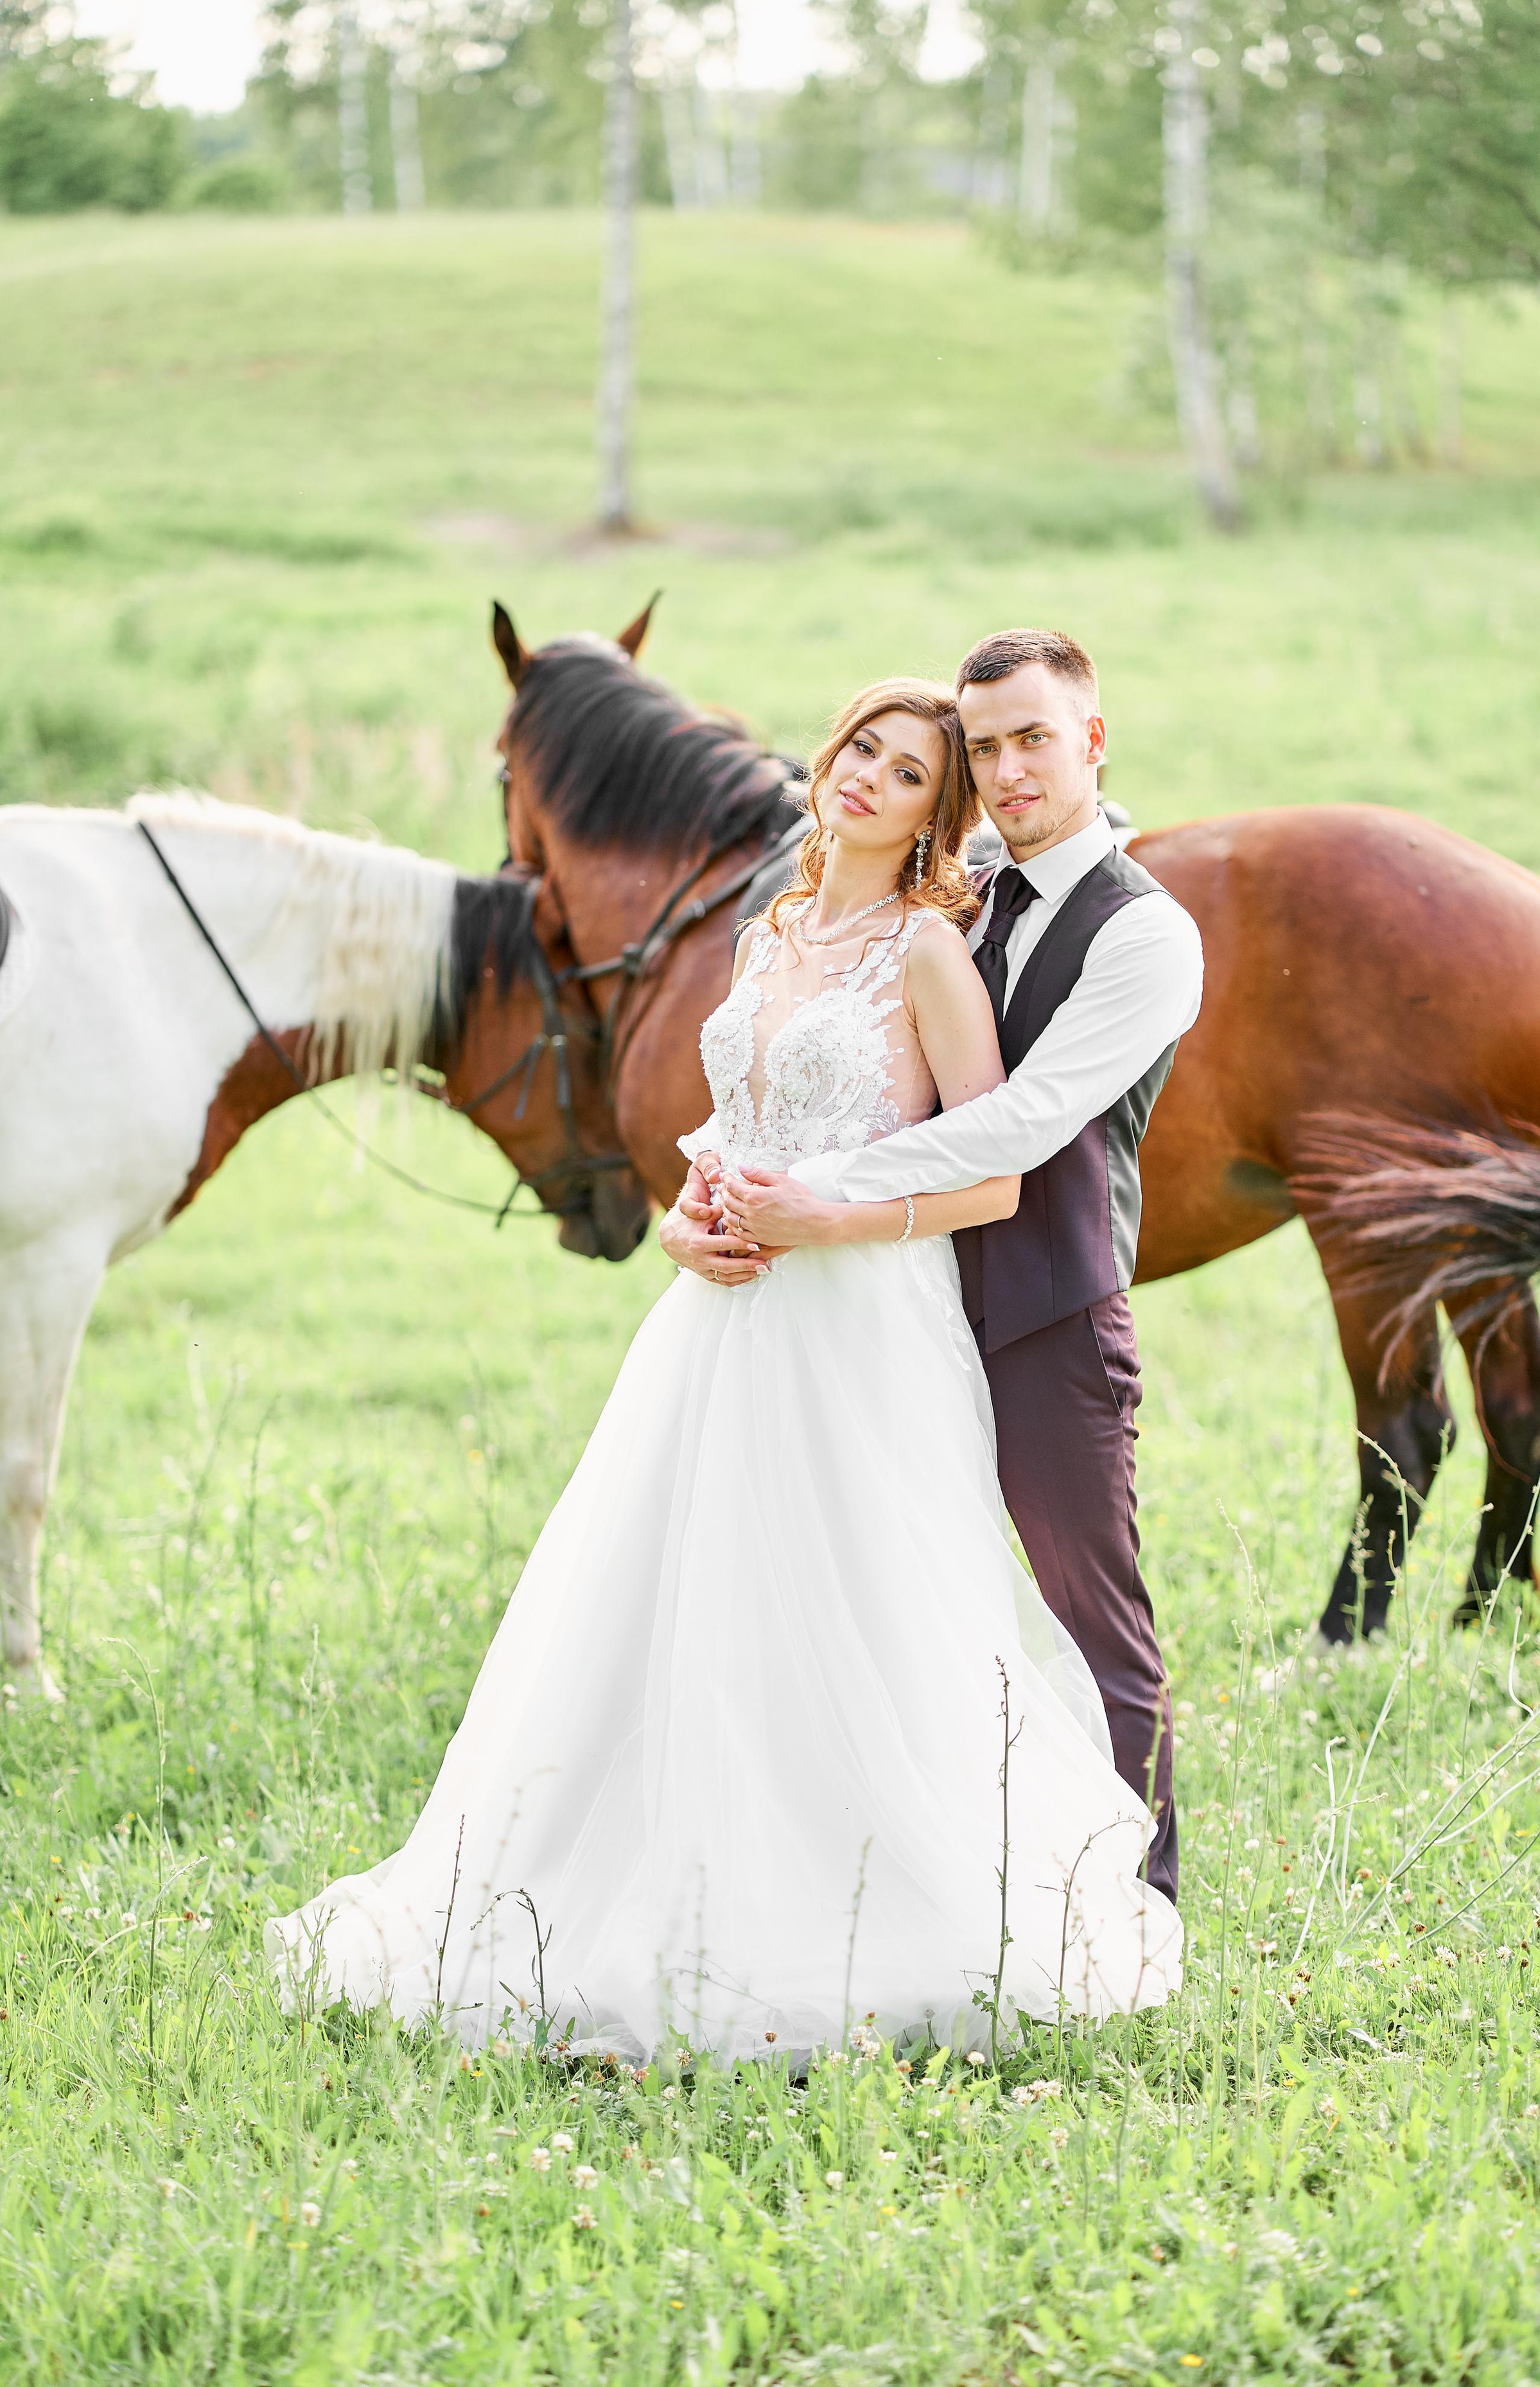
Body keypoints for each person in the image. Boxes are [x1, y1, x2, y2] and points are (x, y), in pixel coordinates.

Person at [267, 676, 1182, 2061]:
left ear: (939, 818)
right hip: (721, 1324)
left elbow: (991, 1179)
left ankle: (861, 1905)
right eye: (859, 752)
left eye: (909, 775)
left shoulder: (929, 955)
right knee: (676, 1589)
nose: (869, 780)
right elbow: (732, 1121)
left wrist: (828, 1214)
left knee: (853, 1600)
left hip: (860, 1319)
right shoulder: (767, 936)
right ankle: (642, 1881)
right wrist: (697, 1217)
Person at [708, 631, 1203, 1903]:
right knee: (879, 1584)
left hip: (1044, 1309)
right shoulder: (961, 890)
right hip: (890, 1306)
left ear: (1090, 738)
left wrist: (808, 1195)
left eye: (1034, 736)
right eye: (985, 748)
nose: (1009, 766)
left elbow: (1019, 1125)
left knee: (1085, 1609)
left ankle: (1140, 1894)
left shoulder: (1145, 938)